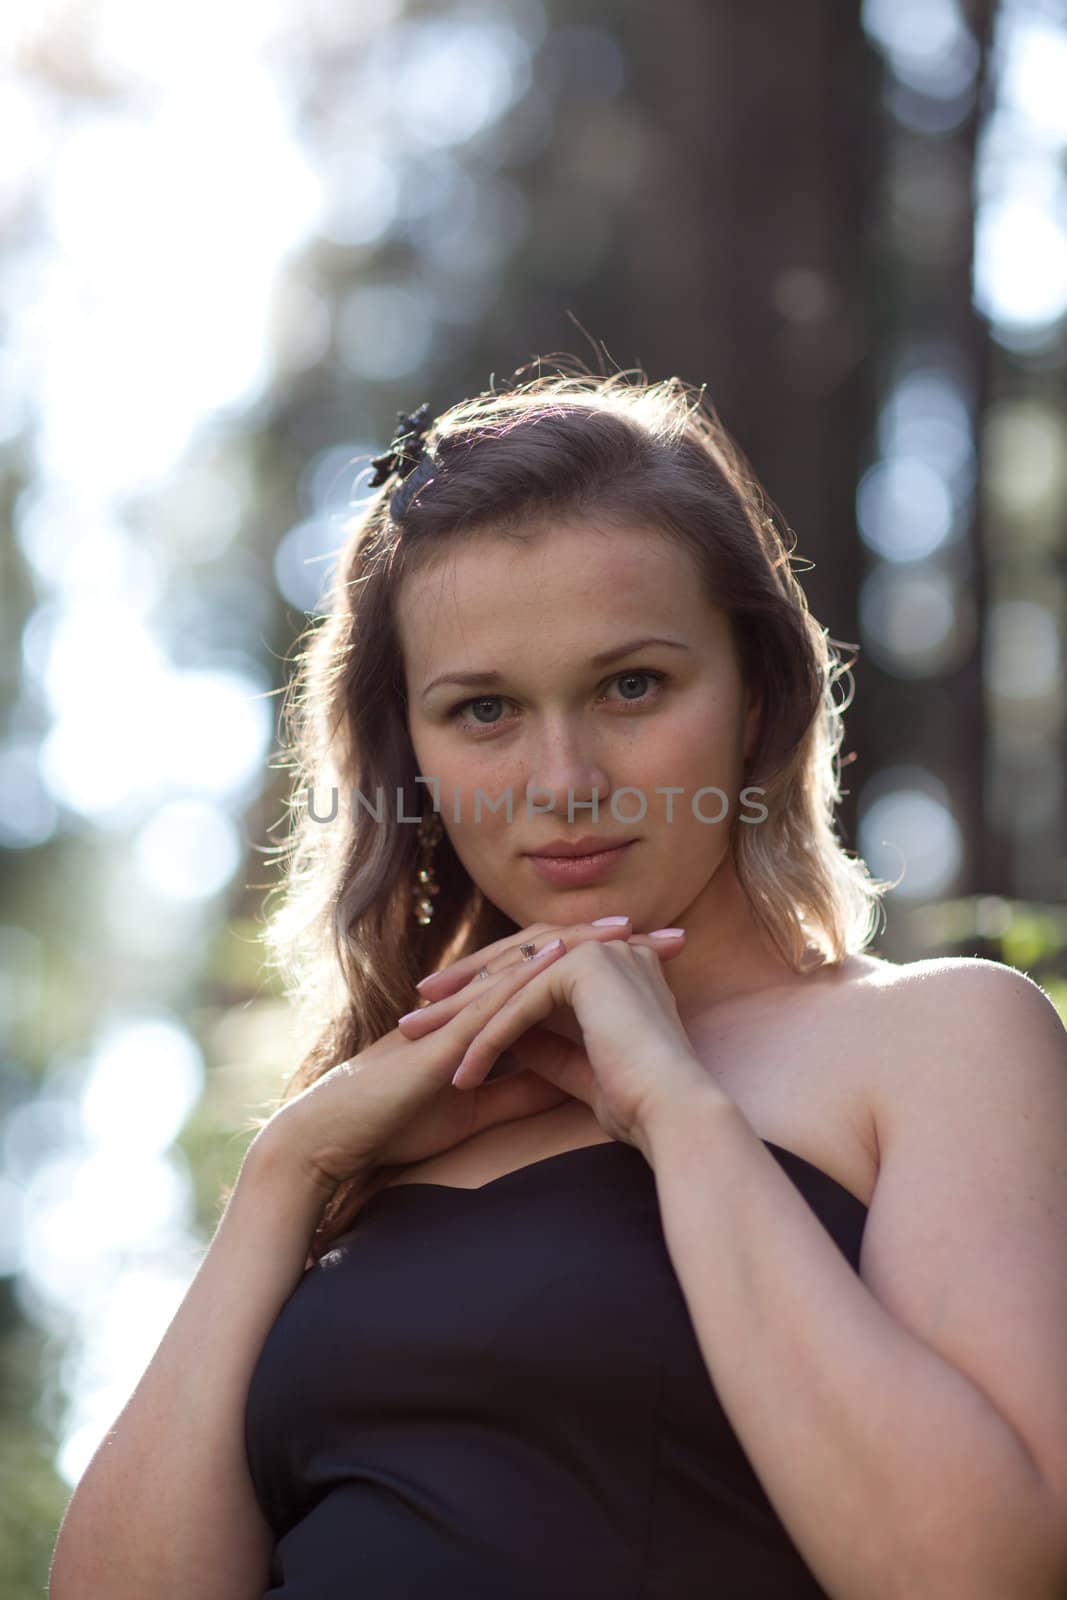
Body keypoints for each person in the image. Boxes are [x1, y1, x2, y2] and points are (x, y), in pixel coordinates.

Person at [49, 366, 1067, 1600]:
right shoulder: (373, 1120)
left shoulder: (935, 1039)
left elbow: (973, 1577)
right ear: (407, 753)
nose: (563, 777)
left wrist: (677, 1114)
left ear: (754, 696)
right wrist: (287, 1175)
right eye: (482, 710)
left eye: (630, 685)